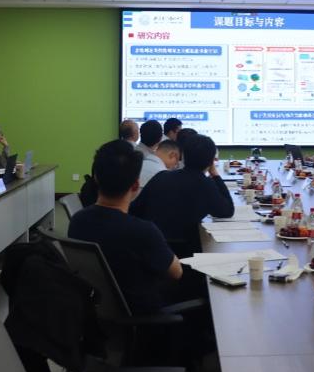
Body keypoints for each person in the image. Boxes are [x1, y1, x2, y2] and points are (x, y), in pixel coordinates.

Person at [68, 140, 182, 315]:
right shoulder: (143, 231)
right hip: (141, 315)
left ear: (96, 177)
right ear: (135, 185)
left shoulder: (77, 220)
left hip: (94, 311)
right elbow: (176, 272)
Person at [131, 134, 234, 256]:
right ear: (211, 161)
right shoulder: (205, 184)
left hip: (151, 249)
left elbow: (135, 209)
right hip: (186, 254)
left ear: (183, 156)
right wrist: (215, 174)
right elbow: (227, 211)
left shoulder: (162, 176)